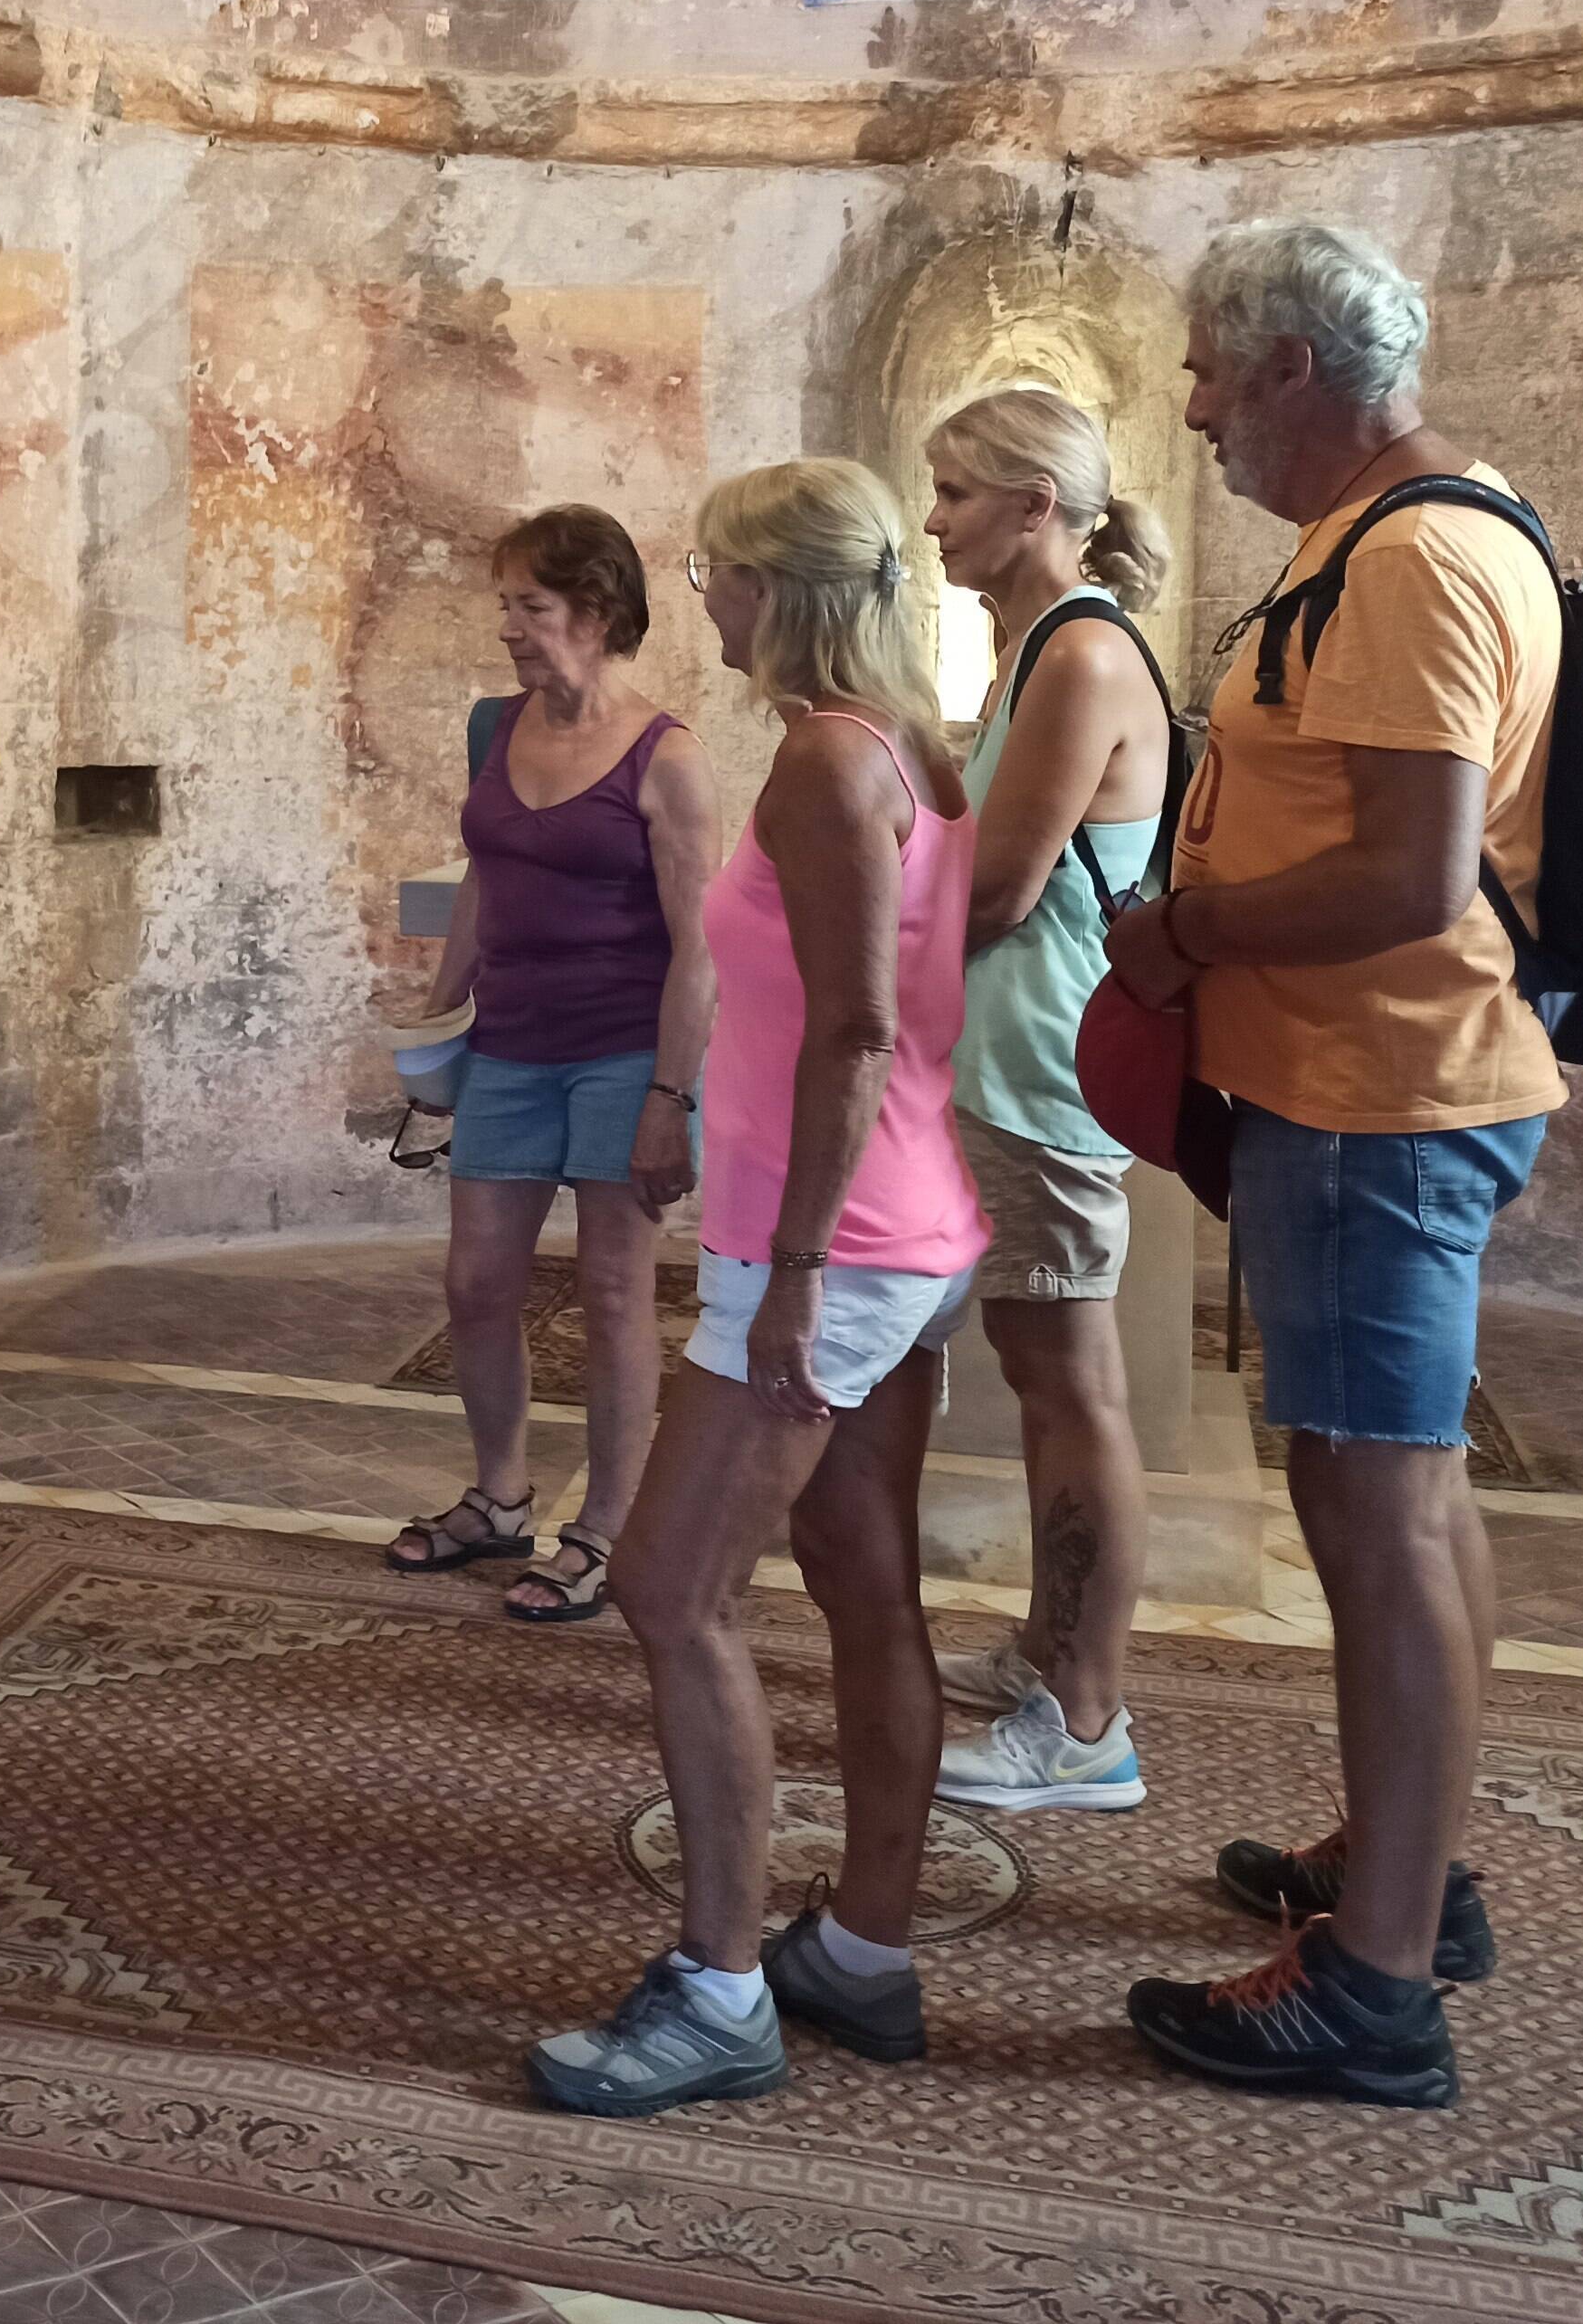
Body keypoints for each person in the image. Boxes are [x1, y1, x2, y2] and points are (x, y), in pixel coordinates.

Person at [1104, 221, 1560, 2110]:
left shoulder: (1412, 557)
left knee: (1373, 1531)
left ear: (1292, 366)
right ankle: (1401, 1863)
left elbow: (1403, 872)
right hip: (1362, 1090)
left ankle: (1370, 1982)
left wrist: (1191, 929)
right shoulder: (1406, 533)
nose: (1196, 411)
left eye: (1210, 374)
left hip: (1379, 1098)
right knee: (1398, 1506)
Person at [529, 463, 985, 2113]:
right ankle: (858, 1950)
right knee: (862, 1587)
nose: (701, 597)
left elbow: (857, 1026)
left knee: (669, 1588)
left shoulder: (818, 758)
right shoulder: (913, 746)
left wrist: (784, 1271)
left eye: (715, 570)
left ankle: (720, 1988)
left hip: (834, 1244)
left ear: (777, 588)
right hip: (902, 1226)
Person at [386, 505, 716, 1627]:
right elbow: (484, 874)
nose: (511, 629)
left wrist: (671, 1098)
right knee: (476, 1280)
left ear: (597, 609)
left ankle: (608, 1529)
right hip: (508, 1049)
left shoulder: (665, 756)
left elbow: (699, 948)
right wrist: (435, 1019)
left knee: (617, 1290)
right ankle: (500, 1497)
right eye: (506, 607)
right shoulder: (499, 726)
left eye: (530, 607)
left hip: (624, 1050)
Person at [919, 388, 1175, 1814]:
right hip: (1011, 1058)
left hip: (1042, 1067)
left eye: (956, 492)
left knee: (1072, 1391)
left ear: (1035, 503)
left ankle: (1085, 1729)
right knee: (1048, 1385)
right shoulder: (1039, 649)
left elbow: (1002, 888)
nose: (937, 519)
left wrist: (859, 945)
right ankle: (1049, 1654)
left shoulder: (1078, 656)